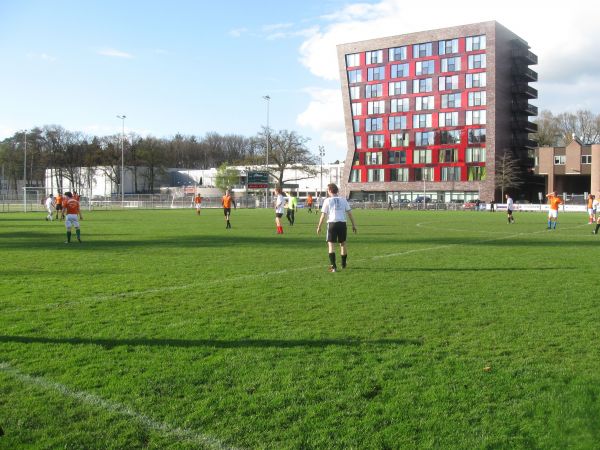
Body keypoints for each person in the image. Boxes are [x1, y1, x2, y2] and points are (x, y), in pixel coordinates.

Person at [316, 183, 357, 273]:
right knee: (343, 244)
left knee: (331, 245)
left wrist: (319, 226)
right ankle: (343, 264)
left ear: (330, 190)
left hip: (332, 224)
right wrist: (354, 225)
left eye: (327, 190)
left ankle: (333, 267)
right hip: (342, 224)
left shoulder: (327, 200)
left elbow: (323, 215)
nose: (327, 191)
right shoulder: (343, 200)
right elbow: (350, 213)